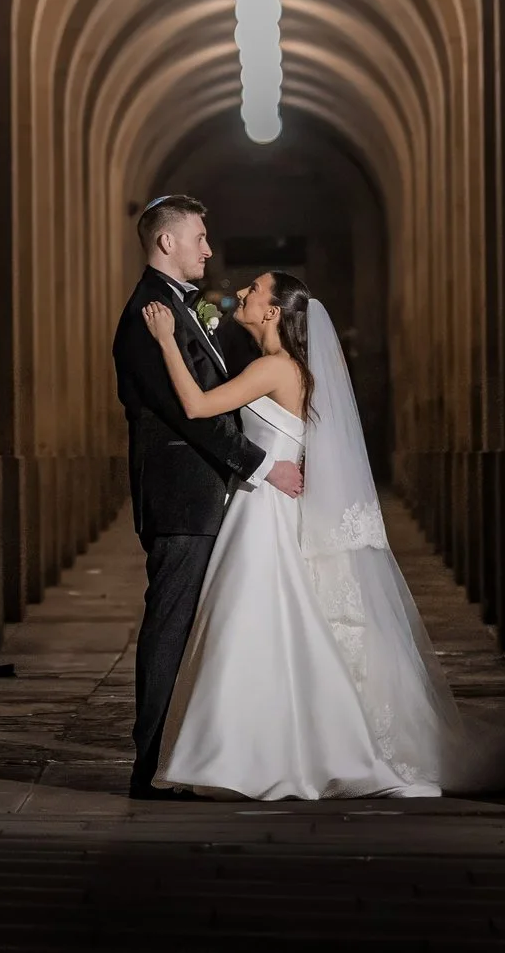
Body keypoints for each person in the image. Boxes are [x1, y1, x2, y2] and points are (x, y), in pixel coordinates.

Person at [141, 269, 503, 799]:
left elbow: (196, 407)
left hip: (264, 512)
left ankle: (246, 753)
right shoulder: (291, 369)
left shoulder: (272, 368)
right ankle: (266, 748)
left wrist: (167, 340)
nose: (241, 293)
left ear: (272, 312)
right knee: (273, 627)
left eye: (254, 290)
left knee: (253, 623)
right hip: (269, 505)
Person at [109, 195, 303, 800]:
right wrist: (261, 464)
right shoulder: (149, 313)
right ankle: (152, 766)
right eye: (199, 237)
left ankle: (186, 751)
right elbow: (187, 414)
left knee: (192, 625)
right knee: (170, 624)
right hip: (180, 497)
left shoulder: (176, 310)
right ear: (167, 242)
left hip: (203, 495)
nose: (209, 249)